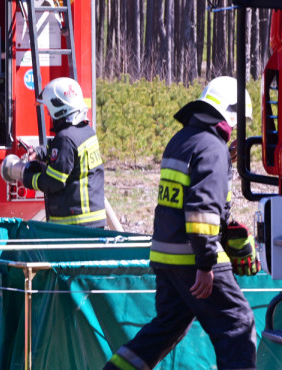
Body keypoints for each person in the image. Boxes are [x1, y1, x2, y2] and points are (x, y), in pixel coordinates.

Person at [103, 77, 259, 370]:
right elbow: (202, 211)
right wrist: (206, 263)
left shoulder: (182, 140)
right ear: (231, 113)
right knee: (237, 324)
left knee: (167, 328)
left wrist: (227, 230)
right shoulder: (212, 148)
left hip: (166, 257)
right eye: (239, 122)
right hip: (194, 258)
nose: (237, 130)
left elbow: (184, 203)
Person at [5, 77, 107, 228]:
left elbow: (53, 182)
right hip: (92, 220)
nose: (48, 114)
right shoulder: (85, 132)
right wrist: (39, 152)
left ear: (59, 108)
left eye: (49, 110)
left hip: (75, 224)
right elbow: (66, 155)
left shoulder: (65, 138)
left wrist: (26, 177)